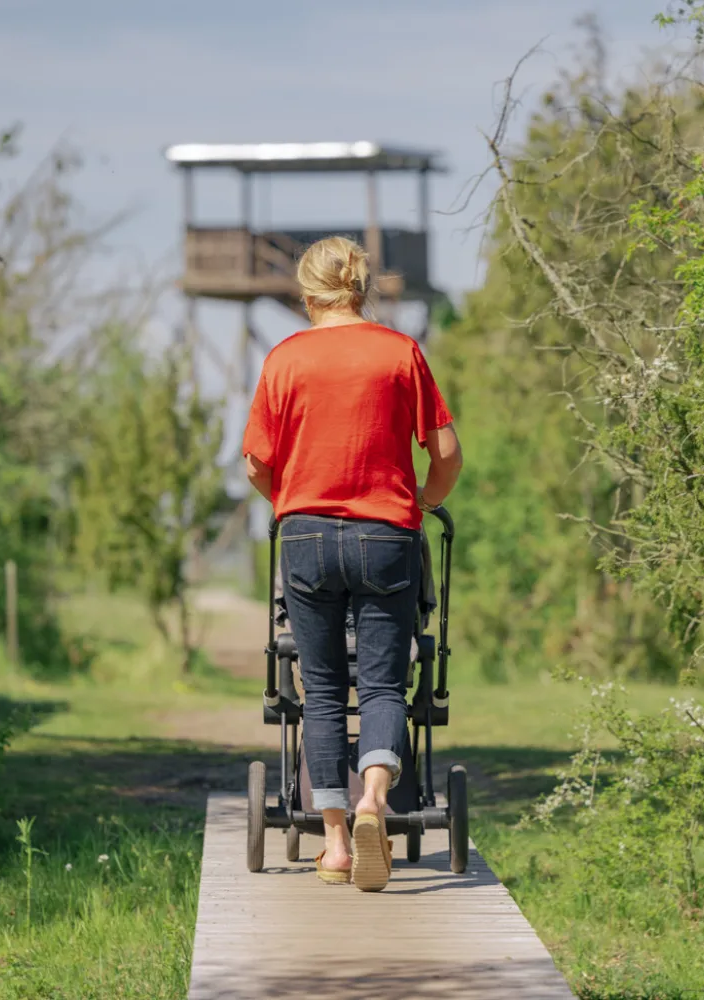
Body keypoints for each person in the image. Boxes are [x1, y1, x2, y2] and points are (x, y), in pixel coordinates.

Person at [242, 236, 463, 892]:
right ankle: (374, 802)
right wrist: (420, 502)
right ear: (362, 288)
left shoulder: (284, 360)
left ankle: (336, 842)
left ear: (305, 294)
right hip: (386, 533)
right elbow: (446, 452)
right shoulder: (400, 353)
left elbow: (255, 461)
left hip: (305, 536)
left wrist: (288, 500)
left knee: (321, 690)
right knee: (384, 686)